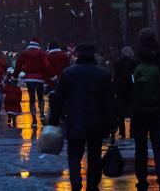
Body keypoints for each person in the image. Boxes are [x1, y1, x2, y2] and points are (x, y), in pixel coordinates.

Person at [48, 43, 114, 191]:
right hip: (97, 121)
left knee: (74, 155)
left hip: (74, 120)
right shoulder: (103, 74)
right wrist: (112, 121)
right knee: (95, 156)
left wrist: (53, 120)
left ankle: (76, 181)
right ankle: (92, 184)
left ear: (77, 54)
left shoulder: (68, 73)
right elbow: (109, 100)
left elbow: (59, 99)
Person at [128, 28, 160, 191]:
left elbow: (126, 86)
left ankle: (142, 179)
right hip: (159, 110)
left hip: (139, 111)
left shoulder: (135, 60)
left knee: (141, 147)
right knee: (159, 145)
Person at [14, 37, 54, 127]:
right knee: (40, 97)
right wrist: (52, 76)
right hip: (39, 78)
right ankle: (42, 115)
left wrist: (14, 77)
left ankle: (34, 120)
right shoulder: (41, 53)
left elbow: (18, 64)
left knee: (31, 99)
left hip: (29, 78)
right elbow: (47, 65)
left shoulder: (25, 52)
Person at [112, 46, 138, 139]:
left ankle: (122, 132)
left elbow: (115, 77)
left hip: (120, 90)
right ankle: (132, 132)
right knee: (132, 113)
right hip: (131, 90)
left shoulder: (117, 63)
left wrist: (115, 88)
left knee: (120, 114)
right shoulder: (134, 63)